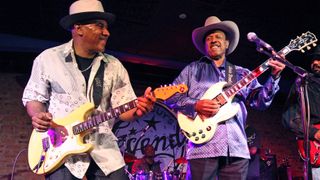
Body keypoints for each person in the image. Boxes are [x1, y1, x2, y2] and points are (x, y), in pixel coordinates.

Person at [22, 0, 156, 179]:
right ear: (79, 29)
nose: (107, 32)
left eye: (107, 27)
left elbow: (124, 109)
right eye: (99, 26)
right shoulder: (48, 59)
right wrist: (37, 115)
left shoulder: (114, 66)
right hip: (59, 146)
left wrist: (139, 110)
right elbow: (34, 97)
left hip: (104, 147)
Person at [165, 16, 285, 179]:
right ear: (205, 45)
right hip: (202, 148)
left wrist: (274, 76)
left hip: (237, 149)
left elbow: (261, 102)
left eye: (218, 37)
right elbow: (171, 98)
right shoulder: (192, 70)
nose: (213, 40)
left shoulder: (241, 73)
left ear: (227, 43)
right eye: (209, 38)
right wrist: (196, 105)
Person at [282, 45, 320, 179]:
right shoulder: (304, 82)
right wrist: (314, 133)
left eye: (319, 59)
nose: (315, 62)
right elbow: (290, 118)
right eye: (314, 59)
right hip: (316, 149)